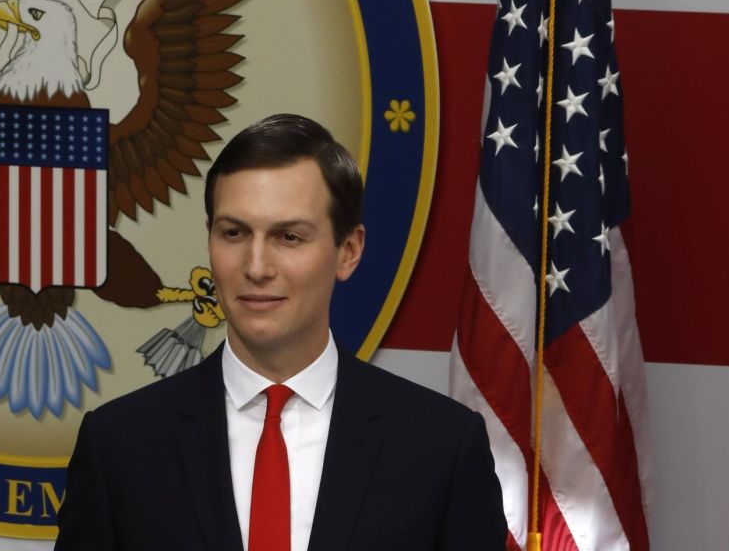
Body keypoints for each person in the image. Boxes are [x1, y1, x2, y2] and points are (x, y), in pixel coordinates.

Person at [55, 114, 506, 550]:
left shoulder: (441, 446)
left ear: (348, 251)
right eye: (234, 233)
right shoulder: (119, 444)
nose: (256, 267)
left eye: (288, 237)